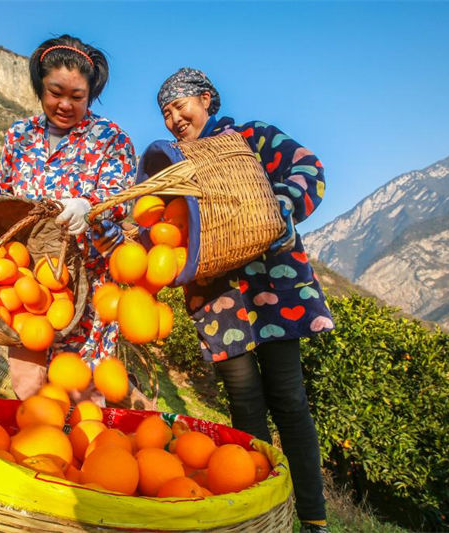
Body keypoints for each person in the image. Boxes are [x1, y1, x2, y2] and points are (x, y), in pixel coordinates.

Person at [151, 67, 335, 533]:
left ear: (207, 99)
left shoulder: (249, 138)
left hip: (273, 286)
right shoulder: (178, 165)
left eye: (181, 106)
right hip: (217, 296)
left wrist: (282, 203)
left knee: (288, 397)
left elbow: (309, 168)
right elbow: (164, 224)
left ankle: (312, 515)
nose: (174, 119)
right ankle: (258, 506)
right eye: (166, 113)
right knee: (243, 401)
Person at [0, 34, 136, 401]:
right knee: (29, 387)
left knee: (80, 392)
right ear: (40, 86)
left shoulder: (110, 139)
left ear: (91, 95)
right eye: (56, 92)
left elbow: (122, 196)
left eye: (78, 97)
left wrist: (92, 206)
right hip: (27, 281)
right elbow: (0, 195)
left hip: (89, 281)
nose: (66, 104)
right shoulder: (20, 136)